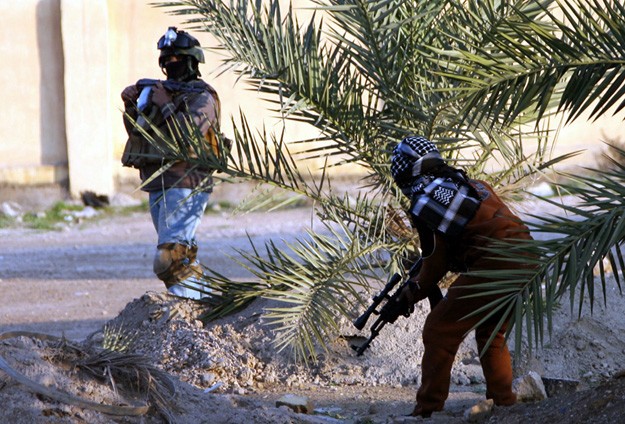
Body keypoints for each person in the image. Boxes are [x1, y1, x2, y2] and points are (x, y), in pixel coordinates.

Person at [382, 135, 533, 417]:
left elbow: (435, 263)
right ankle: (503, 403)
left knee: (439, 330)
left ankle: (427, 410)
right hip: (527, 258)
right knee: (491, 333)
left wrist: (412, 292)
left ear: (406, 171)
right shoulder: (472, 185)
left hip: (496, 263)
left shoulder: (425, 202)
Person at [120, 27, 221, 299]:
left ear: (191, 62)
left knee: (171, 257)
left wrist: (164, 103)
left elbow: (187, 135)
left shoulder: (203, 97)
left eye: (177, 59)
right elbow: (140, 133)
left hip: (187, 182)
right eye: (168, 60)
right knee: (183, 254)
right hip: (158, 182)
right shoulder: (161, 92)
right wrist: (133, 104)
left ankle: (183, 309)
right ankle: (206, 306)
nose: (172, 64)